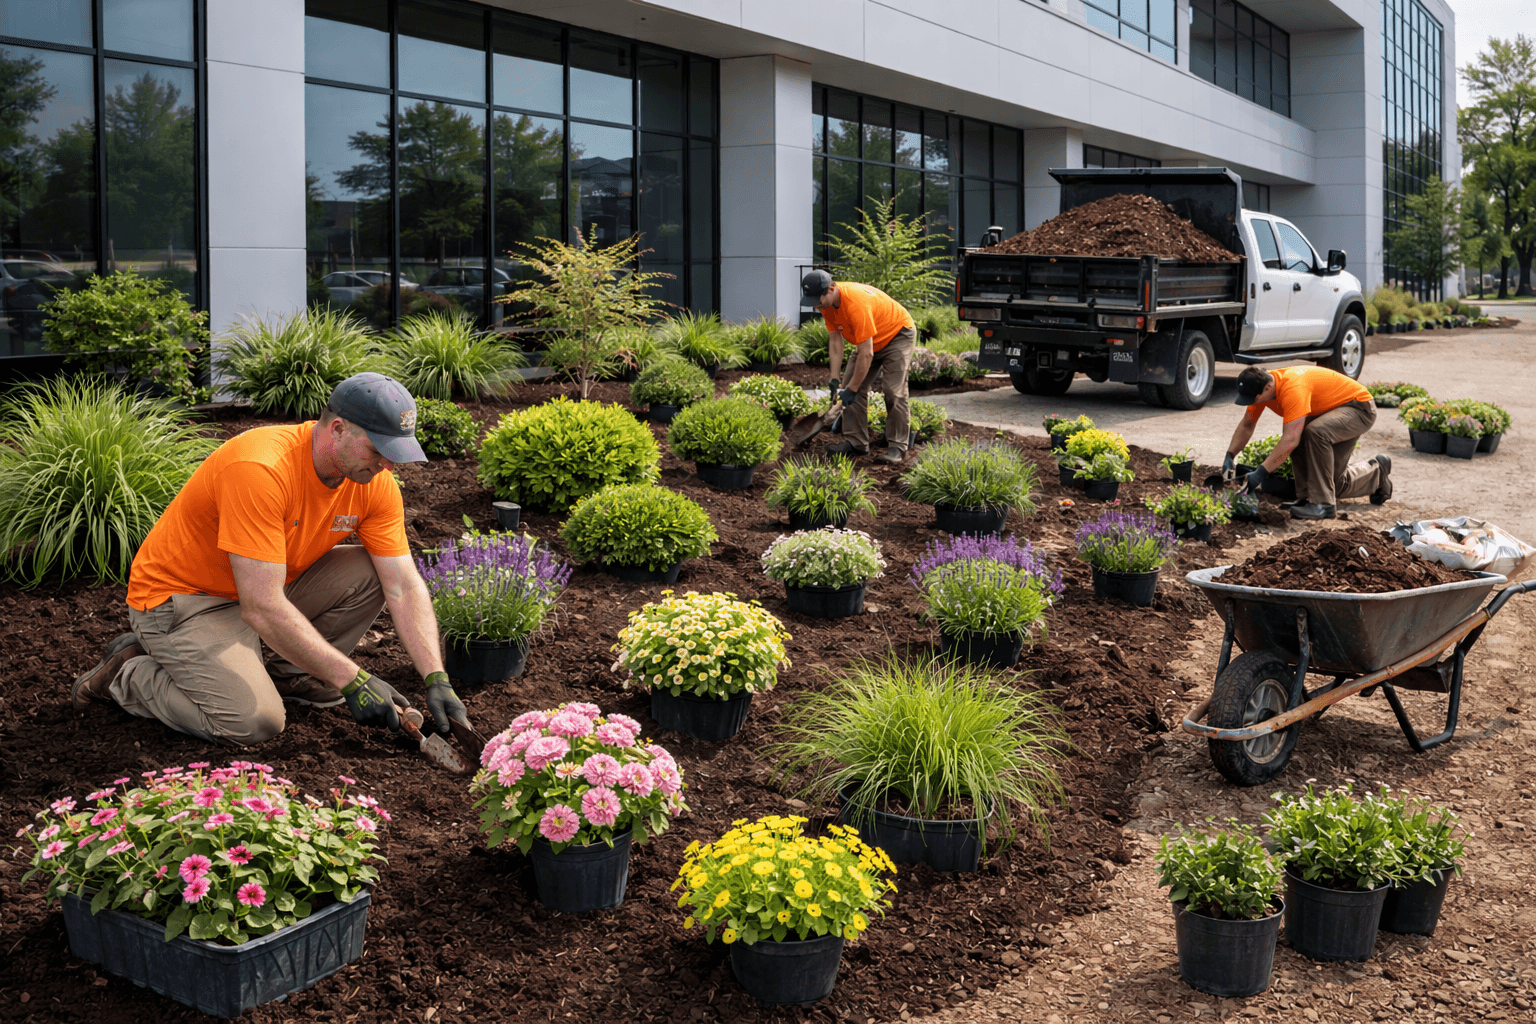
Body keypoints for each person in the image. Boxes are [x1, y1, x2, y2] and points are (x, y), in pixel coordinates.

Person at [70, 373, 470, 745]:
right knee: (254, 722)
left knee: (372, 572)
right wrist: (353, 679)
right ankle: (129, 674)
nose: (387, 464)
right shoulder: (261, 469)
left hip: (265, 588)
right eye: (378, 449)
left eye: (394, 453)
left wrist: (437, 677)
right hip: (185, 601)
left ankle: (290, 675)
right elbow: (261, 607)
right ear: (338, 429)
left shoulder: (372, 482)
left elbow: (401, 584)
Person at [1223, 365, 1393, 520]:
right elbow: (1247, 424)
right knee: (1331, 482)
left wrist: (1260, 473)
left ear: (1267, 388)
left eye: (1254, 398)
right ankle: (1376, 473)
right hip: (1329, 409)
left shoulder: (1292, 388)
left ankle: (1323, 505)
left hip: (1358, 408)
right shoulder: (1263, 390)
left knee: (1313, 432)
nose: (1252, 402)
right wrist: (1230, 455)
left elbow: (1290, 440)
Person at [800, 269, 917, 465]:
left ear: (830, 290)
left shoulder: (855, 304)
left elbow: (867, 353)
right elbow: (836, 342)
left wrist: (852, 389)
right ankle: (857, 443)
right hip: (869, 341)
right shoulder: (826, 306)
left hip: (896, 334)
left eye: (817, 301)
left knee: (893, 391)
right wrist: (835, 379)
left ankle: (897, 447)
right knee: (848, 387)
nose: (815, 307)